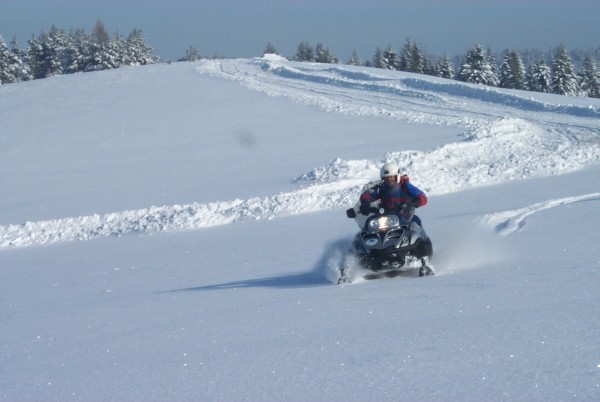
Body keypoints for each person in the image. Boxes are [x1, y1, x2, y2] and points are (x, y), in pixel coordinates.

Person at [359, 162, 427, 227]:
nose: (389, 179)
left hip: (404, 217)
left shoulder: (405, 186)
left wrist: (417, 201)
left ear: (397, 176)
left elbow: (422, 196)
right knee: (368, 227)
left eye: (391, 177)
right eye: (386, 178)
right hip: (384, 218)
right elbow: (367, 194)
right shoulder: (381, 187)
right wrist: (365, 203)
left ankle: (422, 239)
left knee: (416, 222)